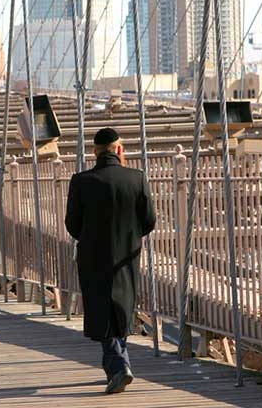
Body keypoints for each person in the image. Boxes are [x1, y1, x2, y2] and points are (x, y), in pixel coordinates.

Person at [64, 127, 156, 395]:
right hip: (127, 255)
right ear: (119, 149)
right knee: (121, 309)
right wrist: (129, 235)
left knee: (102, 310)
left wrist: (91, 236)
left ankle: (118, 366)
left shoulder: (81, 181)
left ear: (95, 151)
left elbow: (72, 225)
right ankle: (115, 364)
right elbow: (149, 220)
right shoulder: (136, 178)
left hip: (94, 256)